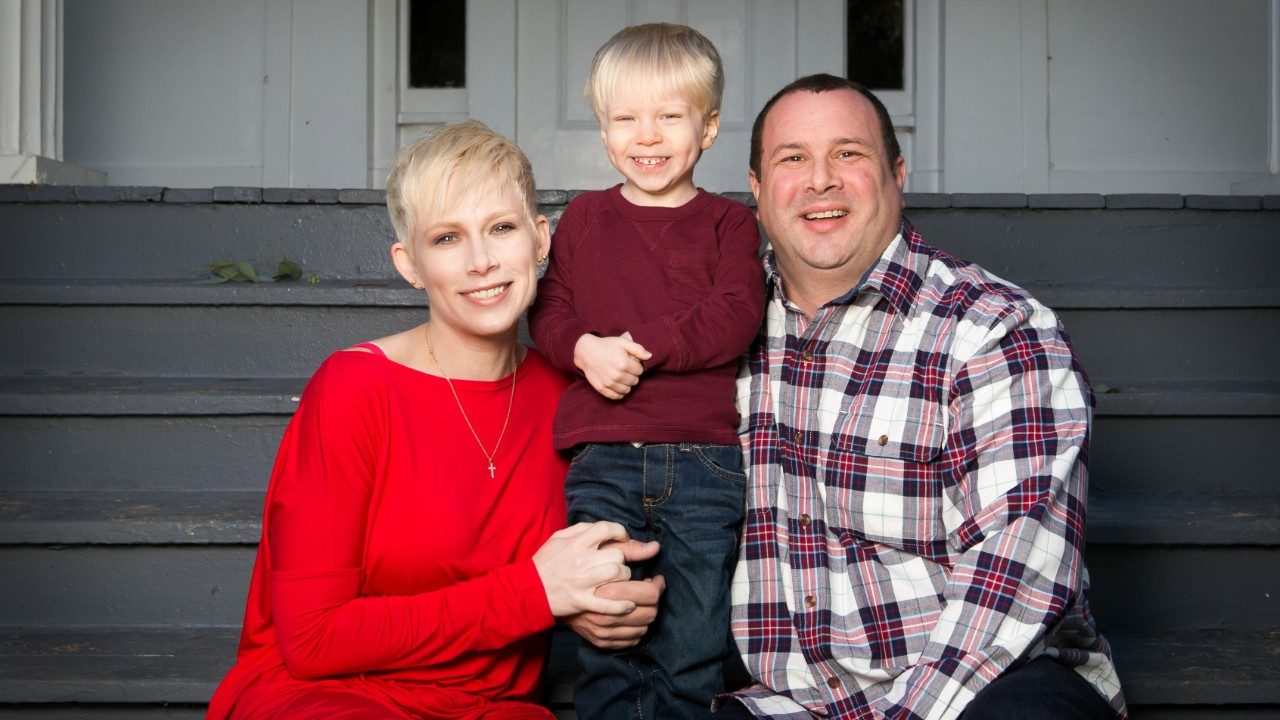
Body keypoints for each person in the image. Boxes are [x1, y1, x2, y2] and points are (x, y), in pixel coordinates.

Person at [206, 120, 660, 720]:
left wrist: (605, 601)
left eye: (501, 228)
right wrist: (534, 593)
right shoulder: (354, 388)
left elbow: (579, 569)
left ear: (540, 239)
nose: (481, 262)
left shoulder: (569, 397)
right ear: (409, 264)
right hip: (331, 697)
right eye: (447, 238)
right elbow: (313, 639)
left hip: (490, 706)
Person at [711, 74, 1128, 719]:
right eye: (792, 158)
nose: (820, 180)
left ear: (897, 175)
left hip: (987, 686)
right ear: (758, 191)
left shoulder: (994, 330)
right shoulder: (715, 336)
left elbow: (1017, 574)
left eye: (848, 153)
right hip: (790, 703)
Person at [529, 22, 765, 720]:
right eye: (626, 118)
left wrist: (635, 346)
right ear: (604, 132)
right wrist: (584, 350)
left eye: (669, 116)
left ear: (709, 127)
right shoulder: (584, 219)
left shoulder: (729, 224)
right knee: (610, 629)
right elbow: (549, 311)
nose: (648, 136)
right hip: (603, 459)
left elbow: (734, 315)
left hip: (703, 464)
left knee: (692, 639)